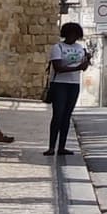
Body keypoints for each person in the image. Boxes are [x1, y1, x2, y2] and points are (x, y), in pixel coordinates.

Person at [44, 20, 94, 158]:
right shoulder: (58, 48)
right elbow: (58, 67)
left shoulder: (80, 48)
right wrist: (77, 67)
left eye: (76, 35)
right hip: (60, 84)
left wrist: (86, 61)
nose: (73, 37)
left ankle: (62, 146)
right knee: (58, 115)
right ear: (66, 34)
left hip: (74, 84)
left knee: (66, 116)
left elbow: (83, 67)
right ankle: (51, 147)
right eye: (71, 34)